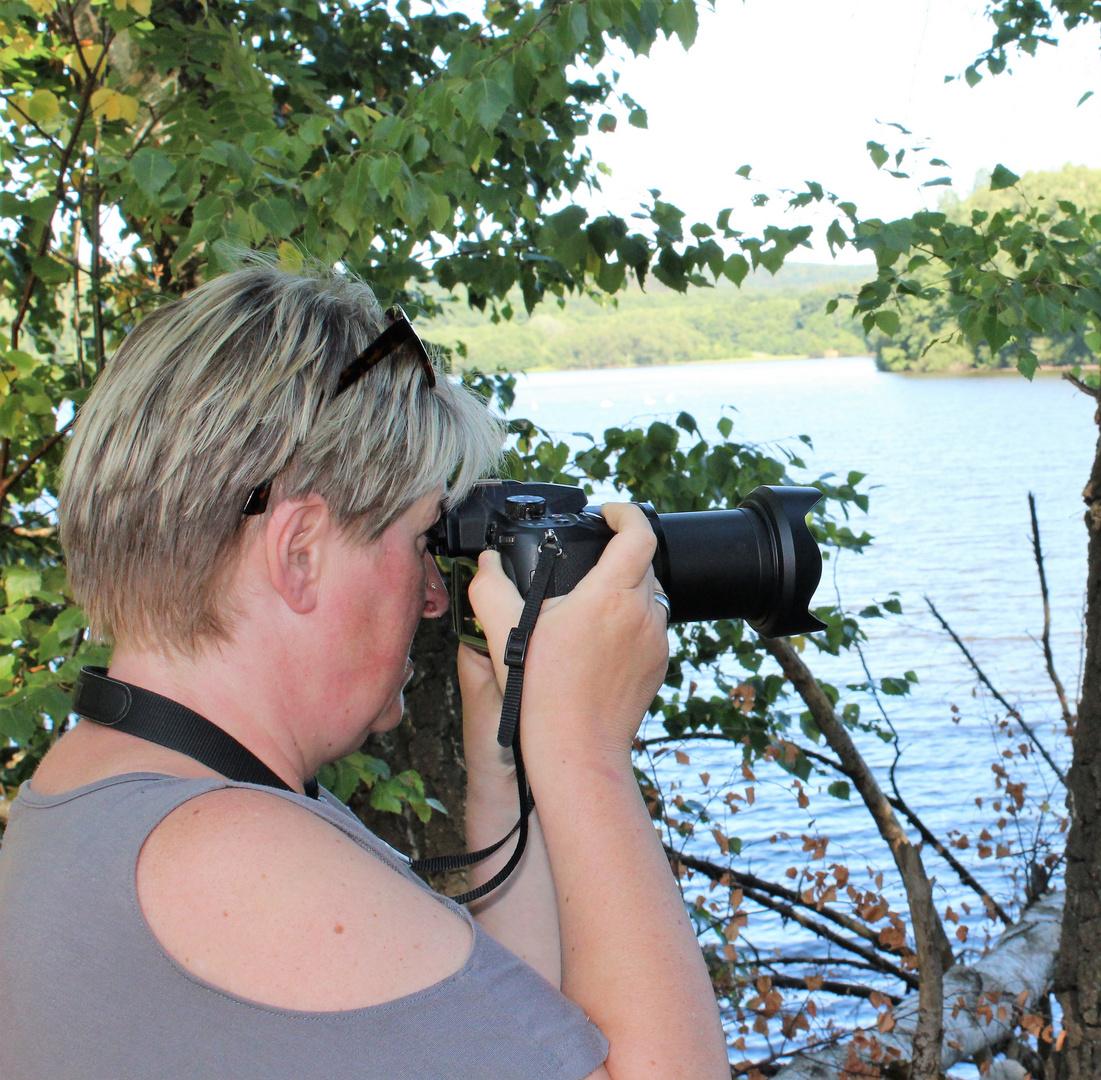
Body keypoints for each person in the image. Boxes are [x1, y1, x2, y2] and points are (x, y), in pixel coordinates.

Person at [0, 260, 728, 1079]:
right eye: (419, 540)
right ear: (299, 553)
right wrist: (583, 751)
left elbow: (527, 1038)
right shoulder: (226, 854)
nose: (428, 597)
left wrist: (506, 766)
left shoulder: (113, 793)